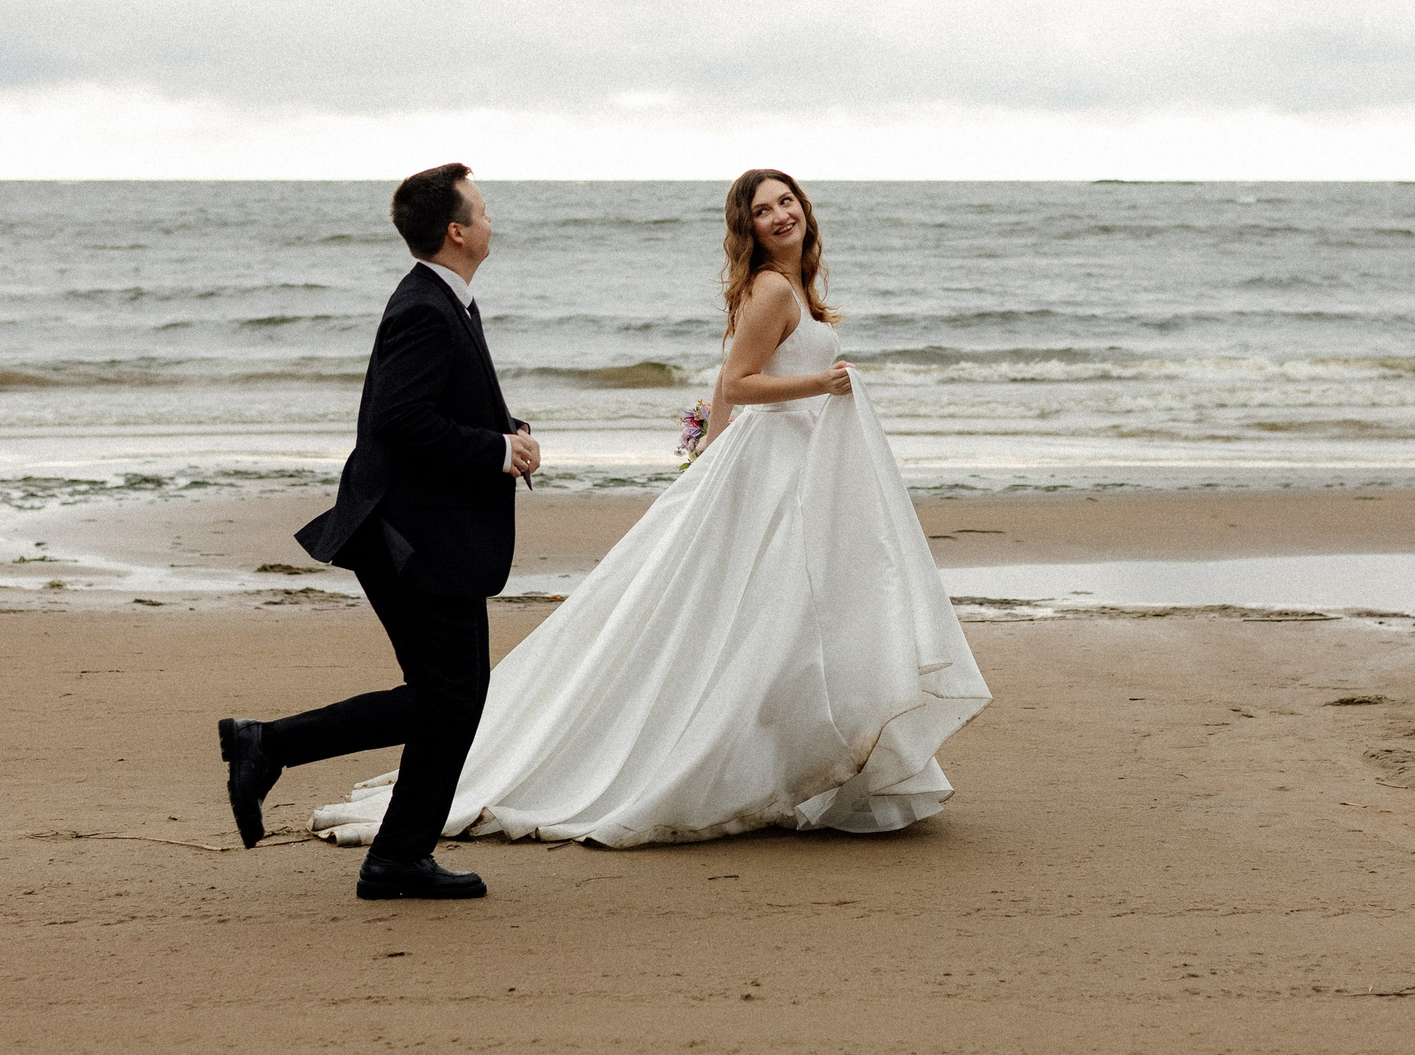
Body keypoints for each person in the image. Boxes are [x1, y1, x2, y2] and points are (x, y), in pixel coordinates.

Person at [303, 167, 989, 851]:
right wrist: (822, 384)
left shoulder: (790, 288)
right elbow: (740, 381)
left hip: (785, 469)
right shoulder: (775, 289)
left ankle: (808, 762)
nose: (781, 214)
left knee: (789, 620)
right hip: (780, 471)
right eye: (763, 209)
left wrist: (711, 462)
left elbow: (728, 392)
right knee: (776, 616)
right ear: (746, 227)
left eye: (787, 201)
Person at [217, 163, 537, 901]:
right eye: (483, 210)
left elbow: (428, 407)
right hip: (405, 537)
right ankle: (269, 744)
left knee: (453, 694)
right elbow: (400, 420)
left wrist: (504, 430)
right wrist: (494, 451)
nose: (492, 220)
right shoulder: (425, 306)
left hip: (424, 532)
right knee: (449, 695)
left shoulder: (448, 300)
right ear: (456, 230)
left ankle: (397, 855)